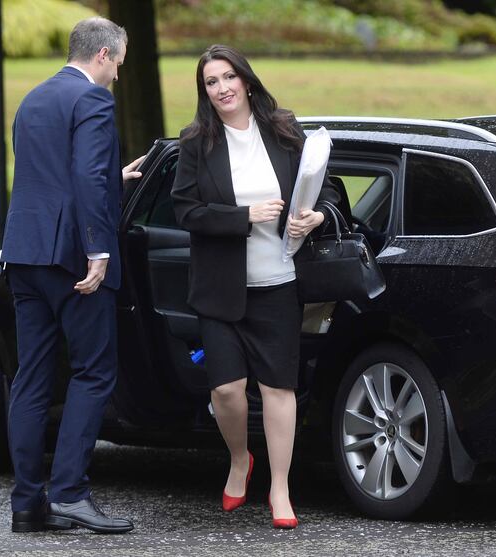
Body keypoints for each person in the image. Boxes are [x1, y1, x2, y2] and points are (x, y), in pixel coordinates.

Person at [171, 44, 340, 529]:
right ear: (204, 91)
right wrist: (243, 216)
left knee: (278, 389)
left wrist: (317, 215)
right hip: (220, 290)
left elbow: (327, 188)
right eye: (211, 82)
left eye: (229, 77)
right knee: (226, 390)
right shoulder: (196, 142)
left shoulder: (285, 130)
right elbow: (186, 211)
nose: (222, 88)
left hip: (278, 283)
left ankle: (280, 488)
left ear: (246, 80)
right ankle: (240, 458)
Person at [0, 17, 142, 534]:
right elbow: (82, 177)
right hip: (72, 260)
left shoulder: (33, 99)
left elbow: (50, 176)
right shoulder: (94, 101)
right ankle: (69, 495)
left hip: (24, 254)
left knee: (32, 378)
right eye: (119, 65)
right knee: (93, 372)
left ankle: (26, 504)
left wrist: (114, 179)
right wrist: (98, 250)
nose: (118, 78)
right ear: (103, 55)